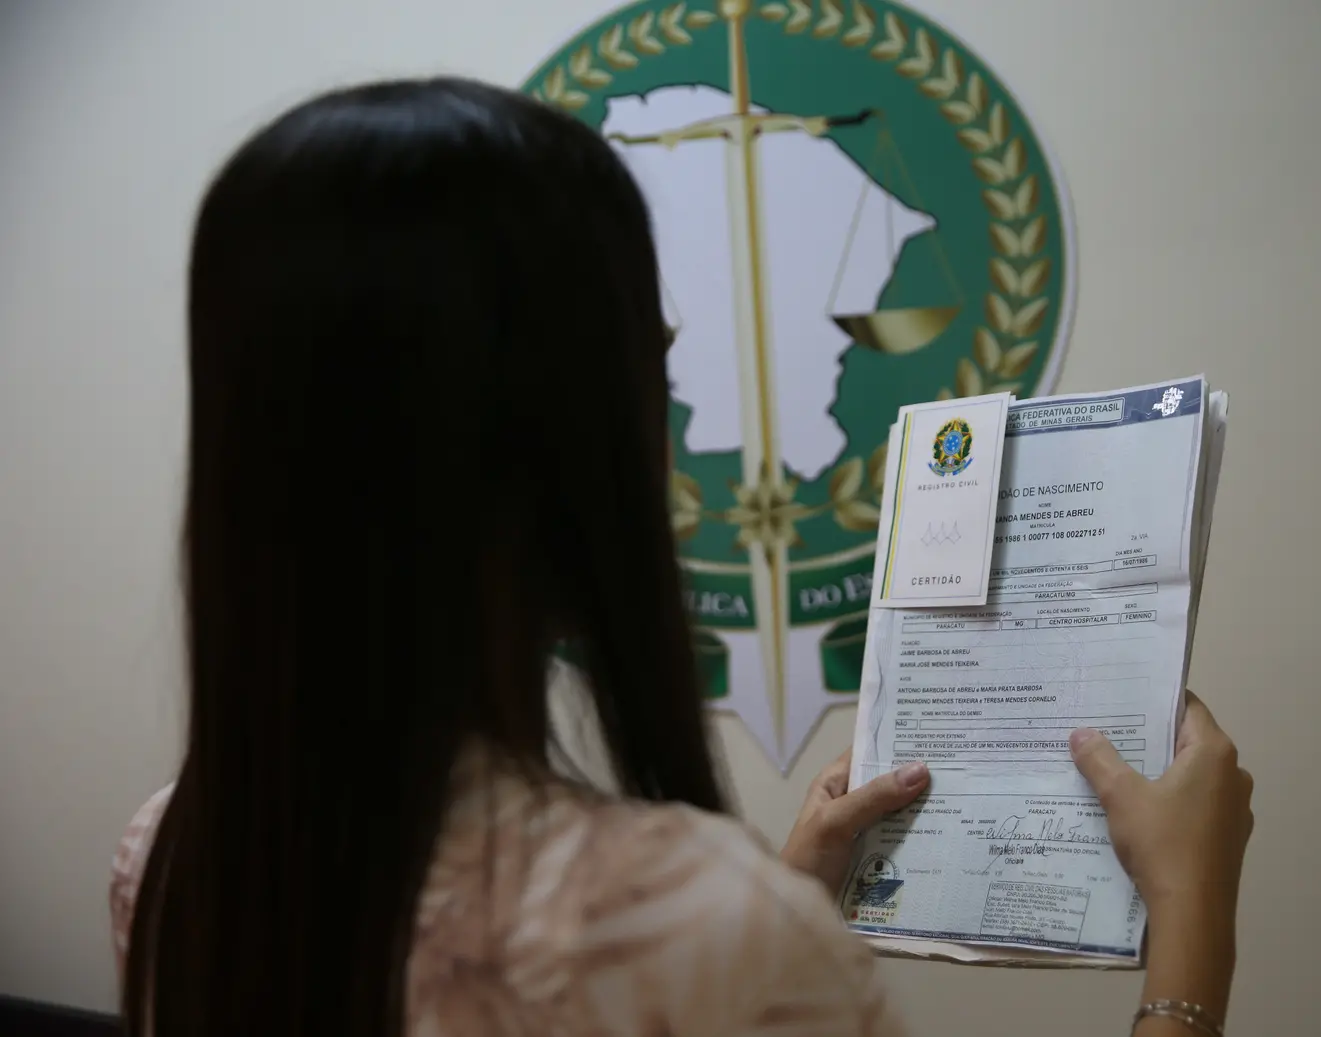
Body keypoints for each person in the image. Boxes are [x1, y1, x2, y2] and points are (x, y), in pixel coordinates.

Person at [110, 77, 1253, 1037]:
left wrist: (777, 900)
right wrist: (1191, 916)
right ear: (573, 438)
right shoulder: (706, 927)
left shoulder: (174, 859)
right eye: (650, 355)